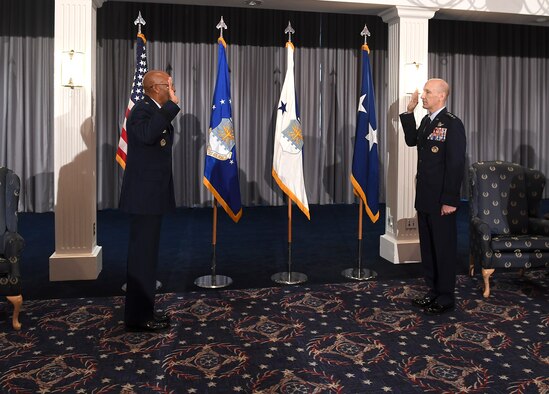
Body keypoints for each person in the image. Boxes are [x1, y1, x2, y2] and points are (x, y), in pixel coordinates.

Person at [119, 70, 180, 332]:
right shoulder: (143, 110)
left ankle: (145, 312)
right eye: (169, 85)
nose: (172, 90)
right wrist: (171, 108)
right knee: (142, 259)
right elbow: (146, 135)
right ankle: (138, 318)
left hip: (151, 198)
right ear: (157, 88)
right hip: (144, 199)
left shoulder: (151, 109)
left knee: (147, 258)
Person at [400, 78, 466, 315]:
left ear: (441, 96)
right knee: (428, 248)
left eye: (428, 92)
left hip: (442, 200)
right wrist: (409, 113)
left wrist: (450, 199)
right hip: (425, 196)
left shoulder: (452, 124)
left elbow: (456, 164)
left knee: (443, 247)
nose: (423, 95)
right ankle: (432, 291)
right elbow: (411, 141)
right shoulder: (428, 122)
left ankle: (446, 295)